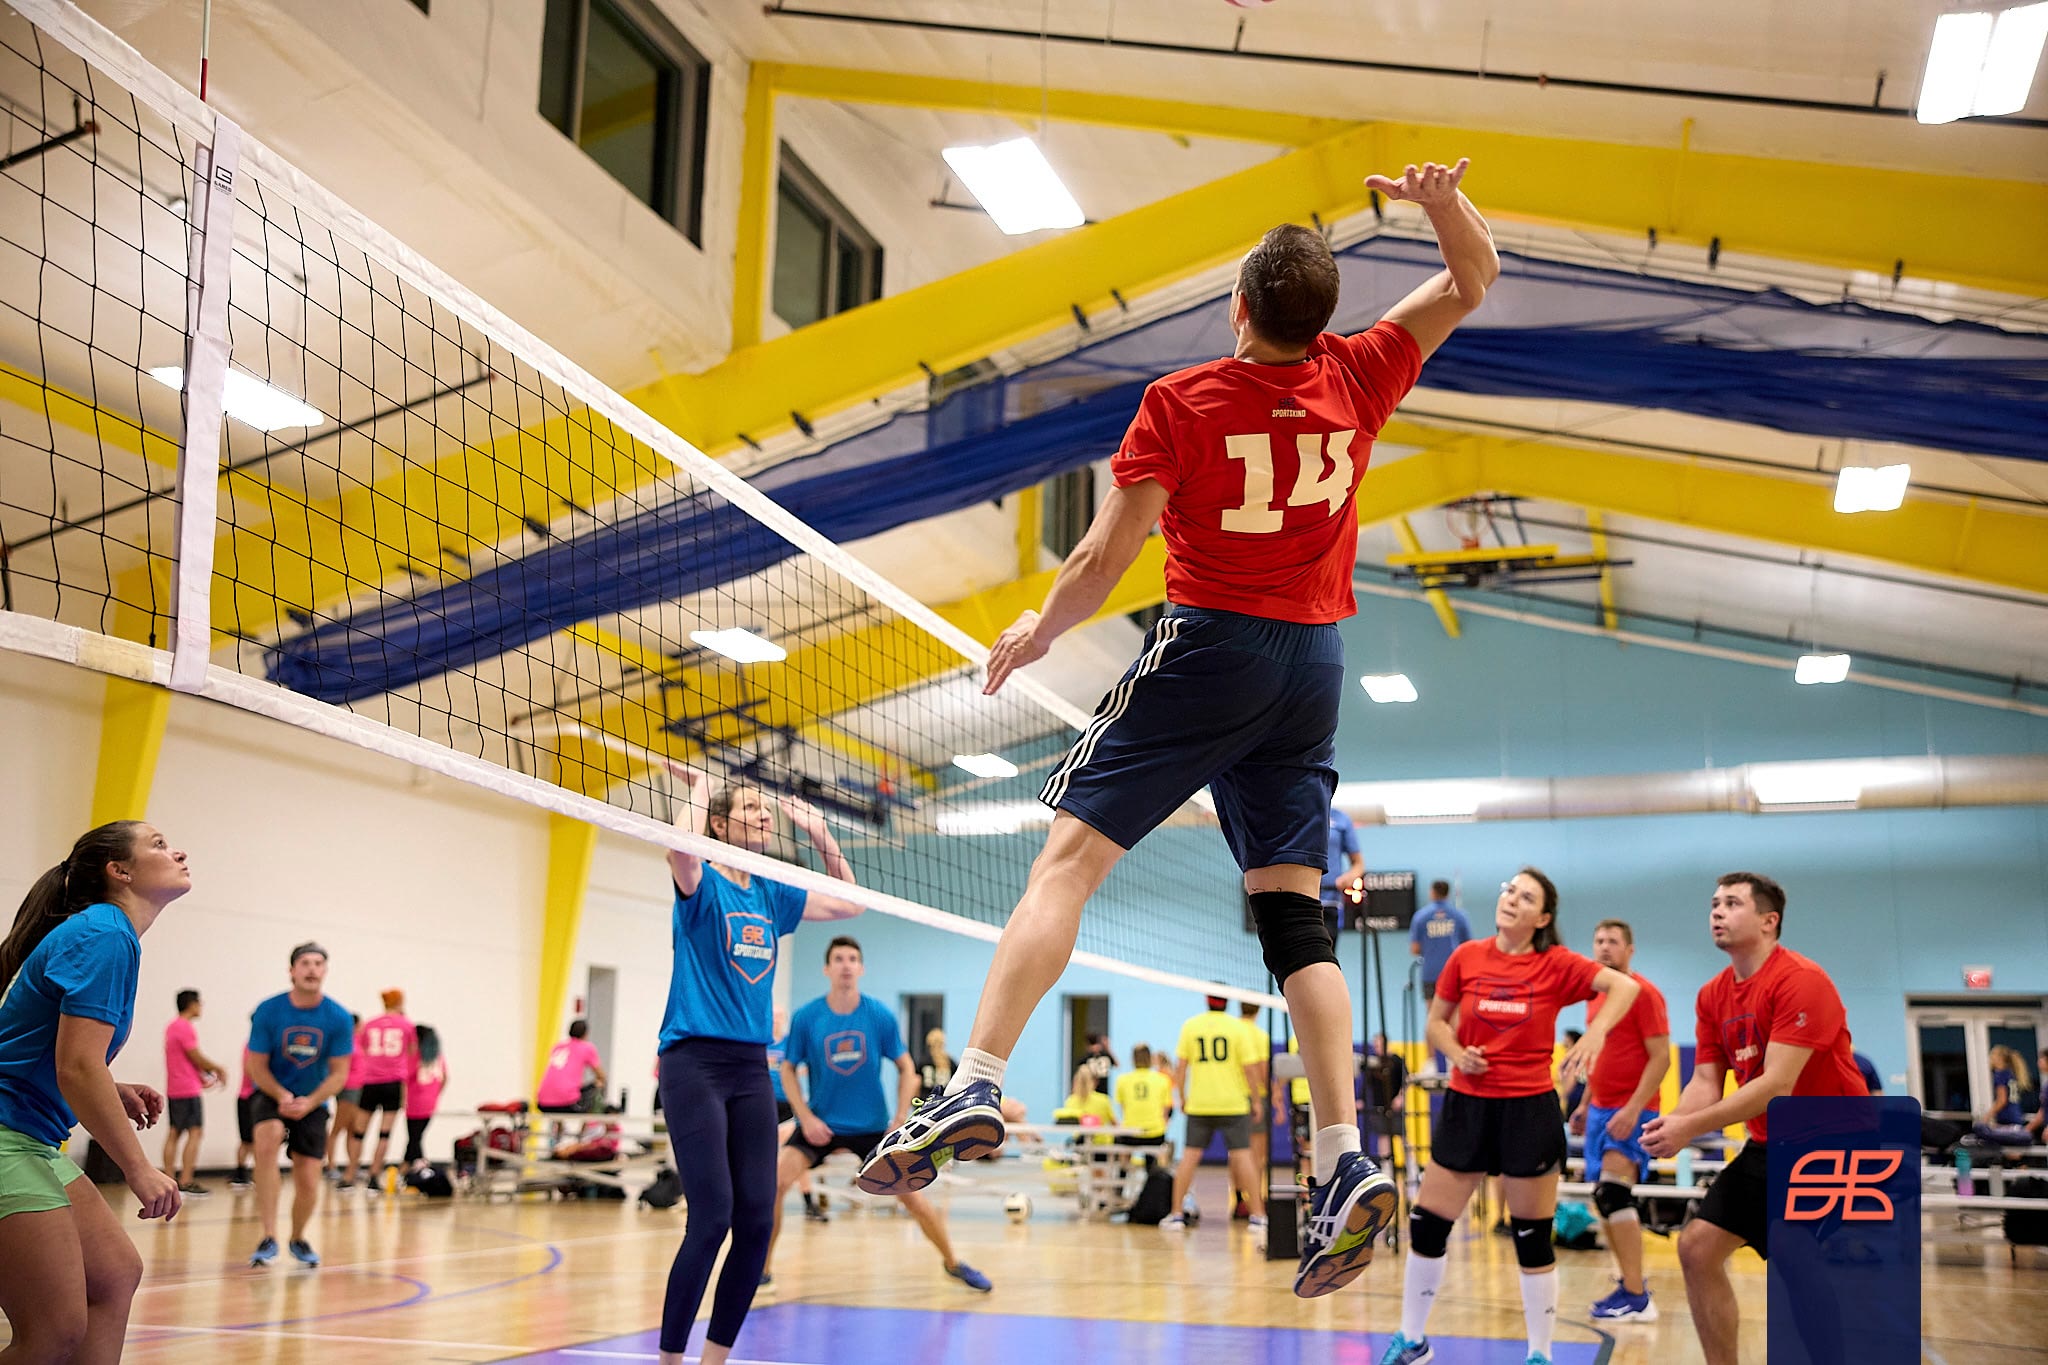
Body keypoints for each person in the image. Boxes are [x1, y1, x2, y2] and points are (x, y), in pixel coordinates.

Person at [859, 159, 1499, 1305]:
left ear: (1238, 308)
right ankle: (1343, 1152)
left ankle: (973, 1082)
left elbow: (1100, 556)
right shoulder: (1360, 371)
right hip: (1313, 666)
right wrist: (1440, 203)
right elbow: (1469, 277)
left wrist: (1039, 630)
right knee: (1294, 918)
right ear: (1322, 318)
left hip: (1208, 647)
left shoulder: (1182, 400)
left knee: (1066, 862)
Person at [1380, 869, 1642, 1365]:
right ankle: (1412, 1340)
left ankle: (1539, 1353)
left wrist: (1596, 1033)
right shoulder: (1466, 956)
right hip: (1468, 1105)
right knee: (1427, 1225)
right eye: (1510, 891)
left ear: (1542, 918)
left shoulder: (1557, 963)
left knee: (1531, 1238)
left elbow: (1625, 987)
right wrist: (1458, 1053)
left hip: (1529, 1109)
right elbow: (1436, 1024)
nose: (1513, 900)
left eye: (1527, 897)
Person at [654, 763, 863, 1365]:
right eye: (749, 807)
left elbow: (851, 904)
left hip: (750, 1068)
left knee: (755, 1220)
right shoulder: (701, 884)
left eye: (766, 809)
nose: (765, 815)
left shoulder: (771, 892)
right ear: (720, 825)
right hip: (693, 1061)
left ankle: (714, 1360)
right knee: (711, 1216)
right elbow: (679, 849)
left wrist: (819, 832)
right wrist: (701, 786)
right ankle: (670, 1360)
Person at [1642, 873, 1868, 1365]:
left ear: (1769, 921)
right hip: (1771, 1145)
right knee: (1697, 1248)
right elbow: (1706, 1081)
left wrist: (1690, 1128)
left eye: (1732, 903)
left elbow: (1776, 1086)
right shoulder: (1711, 995)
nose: (1717, 912)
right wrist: (1671, 1124)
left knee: (1791, 1246)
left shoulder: (1801, 980)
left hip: (1833, 1140)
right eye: (1714, 903)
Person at [0, 822, 188, 1362]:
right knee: (52, 1331)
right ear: (119, 870)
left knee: (113, 1276)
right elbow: (78, 1067)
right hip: (8, 1136)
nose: (177, 851)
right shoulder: (104, 934)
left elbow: (59, 1055)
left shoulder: (106, 932)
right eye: (158, 844)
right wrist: (138, 1169)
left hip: (30, 1136)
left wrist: (111, 1086)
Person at [769, 937, 990, 1294]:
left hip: (871, 1128)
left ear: (861, 968)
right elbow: (788, 1069)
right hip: (821, 1124)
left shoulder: (878, 1015)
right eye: (838, 959)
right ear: (827, 969)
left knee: (913, 1198)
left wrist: (900, 1119)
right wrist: (805, 1117)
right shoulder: (807, 1017)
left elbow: (907, 1068)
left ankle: (953, 1262)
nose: (845, 965)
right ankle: (761, 1270)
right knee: (775, 1185)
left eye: (852, 959)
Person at [1566, 919, 1670, 1323]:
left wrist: (1632, 1109)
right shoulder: (1597, 997)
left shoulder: (1644, 994)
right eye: (1599, 941)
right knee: (1602, 1197)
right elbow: (1600, 1057)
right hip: (1599, 1110)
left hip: (1633, 1110)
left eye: (1613, 941)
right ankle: (1628, 1284)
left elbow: (1661, 1058)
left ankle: (1637, 1294)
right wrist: (1584, 1105)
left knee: (1614, 1193)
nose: (1604, 947)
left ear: (1630, 949)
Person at [246, 941, 354, 1267]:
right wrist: (281, 1095)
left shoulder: (338, 1017)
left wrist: (311, 1102)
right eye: (305, 963)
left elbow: (339, 1074)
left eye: (318, 964)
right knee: (268, 1137)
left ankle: (298, 1237)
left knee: (308, 1176)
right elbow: (256, 1066)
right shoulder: (269, 1010)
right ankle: (268, 1236)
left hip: (312, 1099)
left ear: (325, 971)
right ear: (292, 971)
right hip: (272, 1092)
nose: (312, 969)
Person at [1163, 993, 1266, 1235]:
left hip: (1200, 1103)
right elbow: (1250, 1070)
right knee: (1244, 1157)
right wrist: (1256, 1100)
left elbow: (1181, 1067)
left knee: (1189, 1157)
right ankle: (1258, 1217)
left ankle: (1176, 1215)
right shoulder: (1237, 1028)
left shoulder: (1191, 1026)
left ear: (1206, 1000)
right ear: (1227, 1002)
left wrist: (1182, 1097)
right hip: (1233, 1103)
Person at [343, 989, 417, 1192]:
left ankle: (350, 1174)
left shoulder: (370, 1024)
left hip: (370, 1082)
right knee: (384, 1133)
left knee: (359, 1132)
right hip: (393, 1083)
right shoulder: (407, 1025)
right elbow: (412, 1052)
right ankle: (374, 1175)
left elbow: (362, 1048)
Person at [161, 988, 228, 1197]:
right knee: (194, 1132)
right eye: (200, 1003)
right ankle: (186, 1180)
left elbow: (185, 1060)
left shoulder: (172, 1027)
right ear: (192, 1004)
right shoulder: (184, 1027)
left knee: (174, 1132)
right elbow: (195, 1056)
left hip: (175, 1087)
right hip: (187, 1089)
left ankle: (169, 1179)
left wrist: (202, 1076)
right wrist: (218, 1068)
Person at [768, 1008, 825, 1223]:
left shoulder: (788, 1043)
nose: (775, 1020)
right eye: (772, 1016)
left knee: (794, 1151)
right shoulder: (762, 1042)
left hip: (787, 1105)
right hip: (764, 1104)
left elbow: (809, 1062)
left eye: (779, 1016)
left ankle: (809, 1202)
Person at [1232, 999, 1272, 1219]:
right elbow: (1262, 1069)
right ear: (1258, 1009)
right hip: (1255, 1096)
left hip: (1233, 1097)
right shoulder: (1259, 1035)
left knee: (1236, 1153)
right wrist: (1273, 1096)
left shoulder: (1231, 1030)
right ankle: (1255, 1200)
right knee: (1256, 1155)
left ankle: (1239, 1200)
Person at [1409, 880, 1472, 1010]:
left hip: (1430, 973)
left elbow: (1414, 949)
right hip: (1454, 973)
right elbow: (1468, 946)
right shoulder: (1460, 916)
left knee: (1433, 1013)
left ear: (1432, 893)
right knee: (1454, 1013)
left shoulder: (1420, 917)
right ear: (1447, 894)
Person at [323, 1014, 364, 1187]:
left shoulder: (359, 1041)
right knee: (337, 1128)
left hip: (358, 1088)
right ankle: (331, 1166)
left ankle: (352, 1166)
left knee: (352, 1129)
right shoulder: (345, 1043)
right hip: (348, 1088)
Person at [537, 1019, 607, 1116]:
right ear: (585, 1034)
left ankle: (558, 1124)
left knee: (568, 1091)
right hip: (567, 1103)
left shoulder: (558, 1047)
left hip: (543, 1102)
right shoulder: (587, 1048)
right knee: (599, 1083)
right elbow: (601, 1075)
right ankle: (588, 1124)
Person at [403, 1023, 446, 1170]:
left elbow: (405, 1077)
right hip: (430, 1101)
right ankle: (412, 1165)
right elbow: (445, 1078)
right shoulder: (437, 1057)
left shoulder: (415, 1057)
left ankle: (414, 1167)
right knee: (416, 1137)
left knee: (414, 1137)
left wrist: (402, 1099)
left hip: (414, 1102)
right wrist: (435, 1094)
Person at [1114, 1044, 1171, 1146]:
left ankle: (1125, 1157)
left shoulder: (1122, 1080)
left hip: (1130, 1133)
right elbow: (1165, 1111)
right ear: (1150, 1059)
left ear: (1133, 1059)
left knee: (1123, 1145)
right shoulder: (1162, 1080)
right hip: (1155, 1134)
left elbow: (1123, 1108)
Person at [1979, 1044, 2035, 1145]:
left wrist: (1987, 1116)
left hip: (2007, 1119)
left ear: (1999, 1058)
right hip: (2016, 1117)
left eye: (1992, 1055)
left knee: (2007, 1150)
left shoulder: (2000, 1074)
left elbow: (2002, 1100)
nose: (1990, 1058)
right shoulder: (2011, 1073)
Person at [1321, 807, 1364, 936]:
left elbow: (1358, 864)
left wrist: (1347, 878)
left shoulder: (1341, 819)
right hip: (1298, 900)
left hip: (1330, 901)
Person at [1052, 1064, 1118, 1143]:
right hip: (1102, 1145)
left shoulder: (1070, 1101)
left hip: (1080, 1144)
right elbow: (1115, 1125)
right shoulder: (1104, 1100)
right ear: (1094, 1081)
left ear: (1076, 1081)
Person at [920, 1027, 953, 1099]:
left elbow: (916, 1084)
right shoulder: (951, 1063)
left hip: (925, 1102)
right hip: (944, 1102)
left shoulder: (923, 1062)